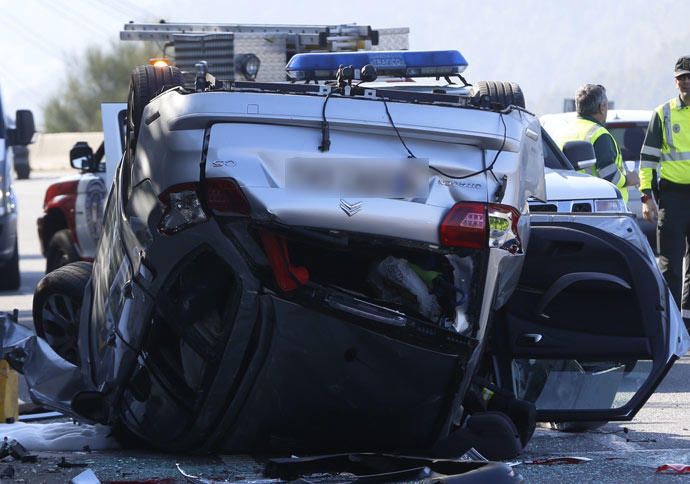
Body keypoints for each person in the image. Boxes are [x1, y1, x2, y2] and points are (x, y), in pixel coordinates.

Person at [640, 55, 690, 324]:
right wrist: (646, 197)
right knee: (669, 264)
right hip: (673, 197)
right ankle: (669, 324)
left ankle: (687, 325)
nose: (687, 82)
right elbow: (647, 158)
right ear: (675, 81)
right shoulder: (664, 114)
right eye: (682, 77)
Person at [552, 84, 639, 204]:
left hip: (569, 202)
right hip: (601, 207)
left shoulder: (563, 131)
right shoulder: (599, 134)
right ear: (602, 108)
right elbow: (610, 176)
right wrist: (628, 180)